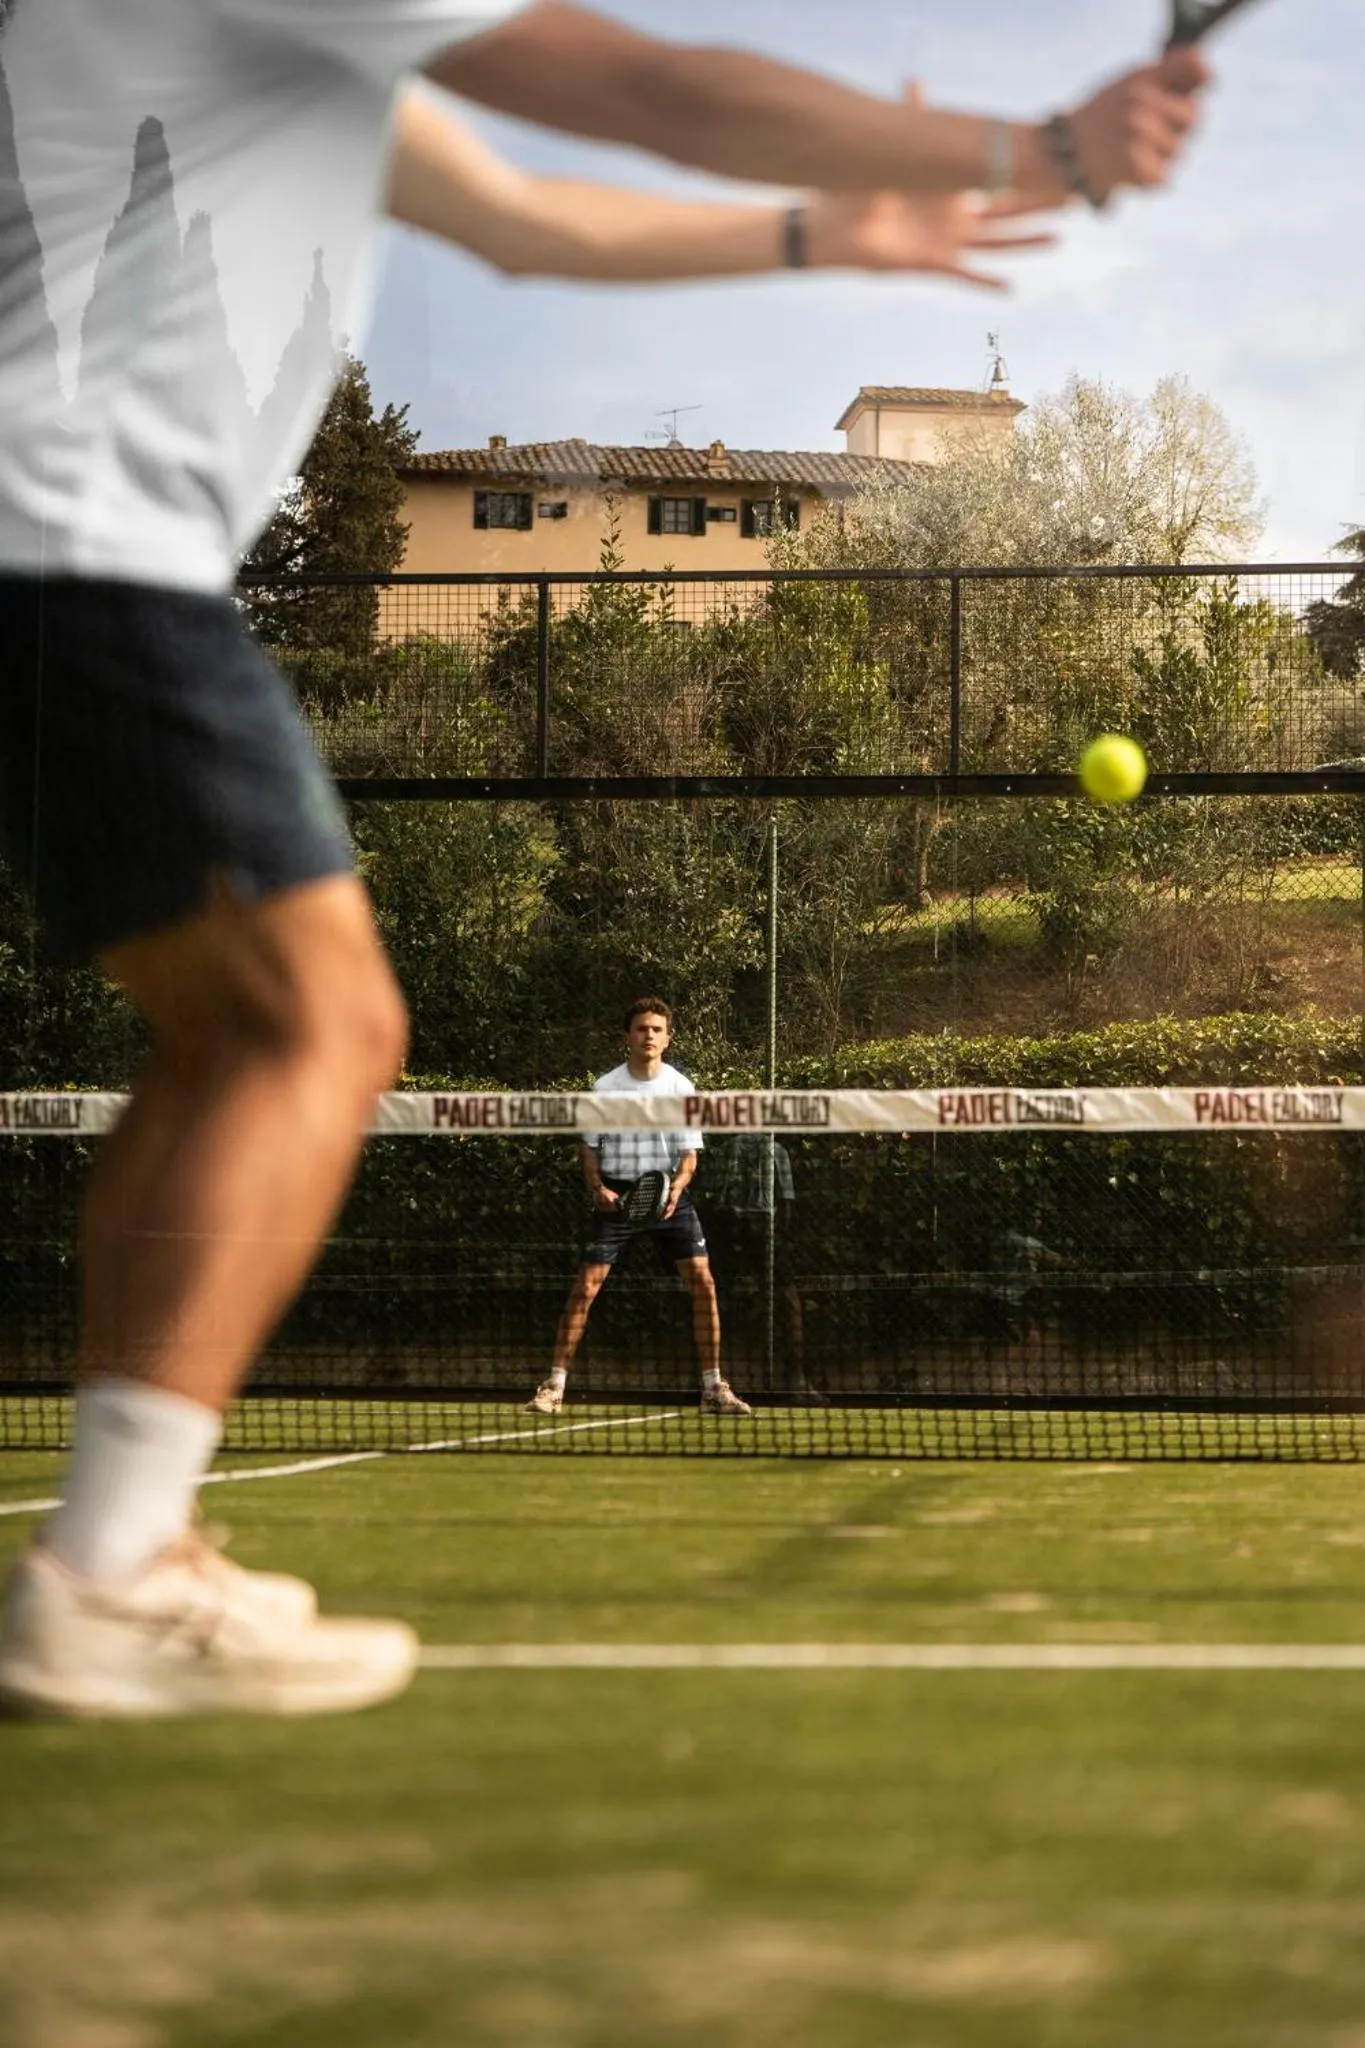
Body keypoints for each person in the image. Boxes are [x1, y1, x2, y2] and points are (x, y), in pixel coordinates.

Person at [0, 0, 1210, 1719]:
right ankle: (111, 1561)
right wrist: (1035, 152)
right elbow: (647, 85)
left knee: (222, 1038)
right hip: (75, 536)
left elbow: (527, 215)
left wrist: (822, 228)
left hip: (59, 551)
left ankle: (121, 1546)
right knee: (308, 1026)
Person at [526, 999, 751, 1418]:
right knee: (585, 1288)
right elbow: (588, 1147)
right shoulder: (604, 1089)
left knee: (704, 1283)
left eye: (656, 1029)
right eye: (641, 1028)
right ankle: (553, 1388)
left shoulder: (682, 1089)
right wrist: (598, 1189)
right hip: (617, 1198)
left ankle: (713, 1389)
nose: (648, 1035)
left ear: (668, 1038)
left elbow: (689, 1156)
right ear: (626, 1037)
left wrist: (674, 1190)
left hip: (670, 1197)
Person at [703, 1134, 826, 1407]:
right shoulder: (745, 1151)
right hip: (736, 1229)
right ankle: (715, 1382)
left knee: (782, 1299)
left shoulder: (767, 1151)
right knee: (720, 1299)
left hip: (754, 1231)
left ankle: (796, 1379)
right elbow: (787, 1208)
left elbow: (783, 1206)